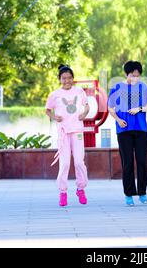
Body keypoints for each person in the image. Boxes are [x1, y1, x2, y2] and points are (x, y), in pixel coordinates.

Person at [108, 61, 147, 206]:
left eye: (137, 76)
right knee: (127, 162)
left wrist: (139, 109)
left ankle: (142, 192)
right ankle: (129, 194)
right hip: (124, 130)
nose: (135, 78)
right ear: (126, 74)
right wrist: (118, 120)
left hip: (140, 129)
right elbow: (110, 108)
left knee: (142, 161)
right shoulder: (116, 87)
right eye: (132, 76)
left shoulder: (144, 88)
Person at [45, 65, 90, 207]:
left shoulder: (79, 91)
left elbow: (87, 106)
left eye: (69, 78)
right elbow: (47, 110)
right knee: (64, 164)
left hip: (77, 131)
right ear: (59, 79)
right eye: (64, 78)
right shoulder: (55, 94)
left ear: (73, 78)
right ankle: (63, 192)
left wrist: (84, 113)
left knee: (78, 162)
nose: (67, 81)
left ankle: (80, 188)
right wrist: (54, 116)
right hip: (63, 133)